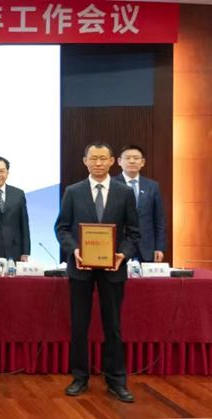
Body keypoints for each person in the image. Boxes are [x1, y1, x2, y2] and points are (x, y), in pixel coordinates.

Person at [55, 142, 140, 403]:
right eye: (94, 158)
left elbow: (133, 232)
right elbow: (62, 228)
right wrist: (74, 250)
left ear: (112, 161)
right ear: (85, 161)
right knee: (79, 325)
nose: (99, 163)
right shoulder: (73, 191)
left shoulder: (125, 192)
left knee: (112, 326)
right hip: (81, 268)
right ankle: (79, 377)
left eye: (103, 158)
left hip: (113, 269)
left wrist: (123, 254)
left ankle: (116, 380)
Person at [114, 145, 166, 262]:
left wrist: (159, 247)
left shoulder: (152, 186)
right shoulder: (112, 184)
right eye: (128, 158)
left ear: (142, 162)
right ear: (119, 161)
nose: (132, 161)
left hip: (146, 247)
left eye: (136, 158)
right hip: (119, 247)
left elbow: (159, 219)